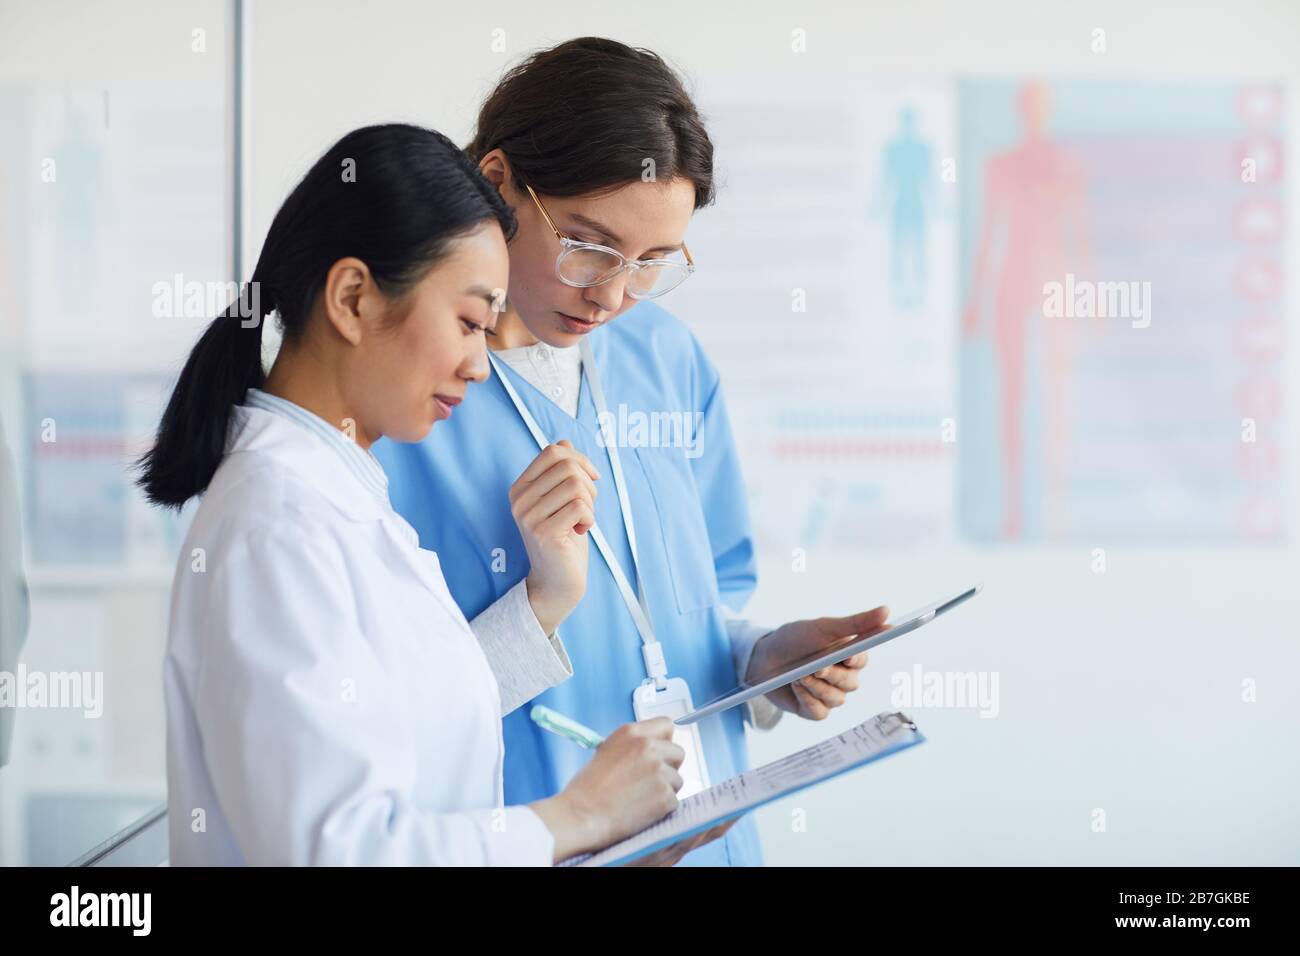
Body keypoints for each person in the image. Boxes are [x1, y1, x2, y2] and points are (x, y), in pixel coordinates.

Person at [374, 38, 891, 867]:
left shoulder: (665, 359)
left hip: (710, 839)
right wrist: (536, 604)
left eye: (651, 262)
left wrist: (764, 659)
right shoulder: (402, 399)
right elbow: (387, 716)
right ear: (499, 181)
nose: (612, 294)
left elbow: (703, 600)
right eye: (590, 244)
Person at [140, 123, 716, 866]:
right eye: (473, 322)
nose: (480, 366)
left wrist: (594, 843)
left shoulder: (341, 501)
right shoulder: (278, 526)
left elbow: (420, 776)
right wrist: (575, 816)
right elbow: (334, 849)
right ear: (353, 298)